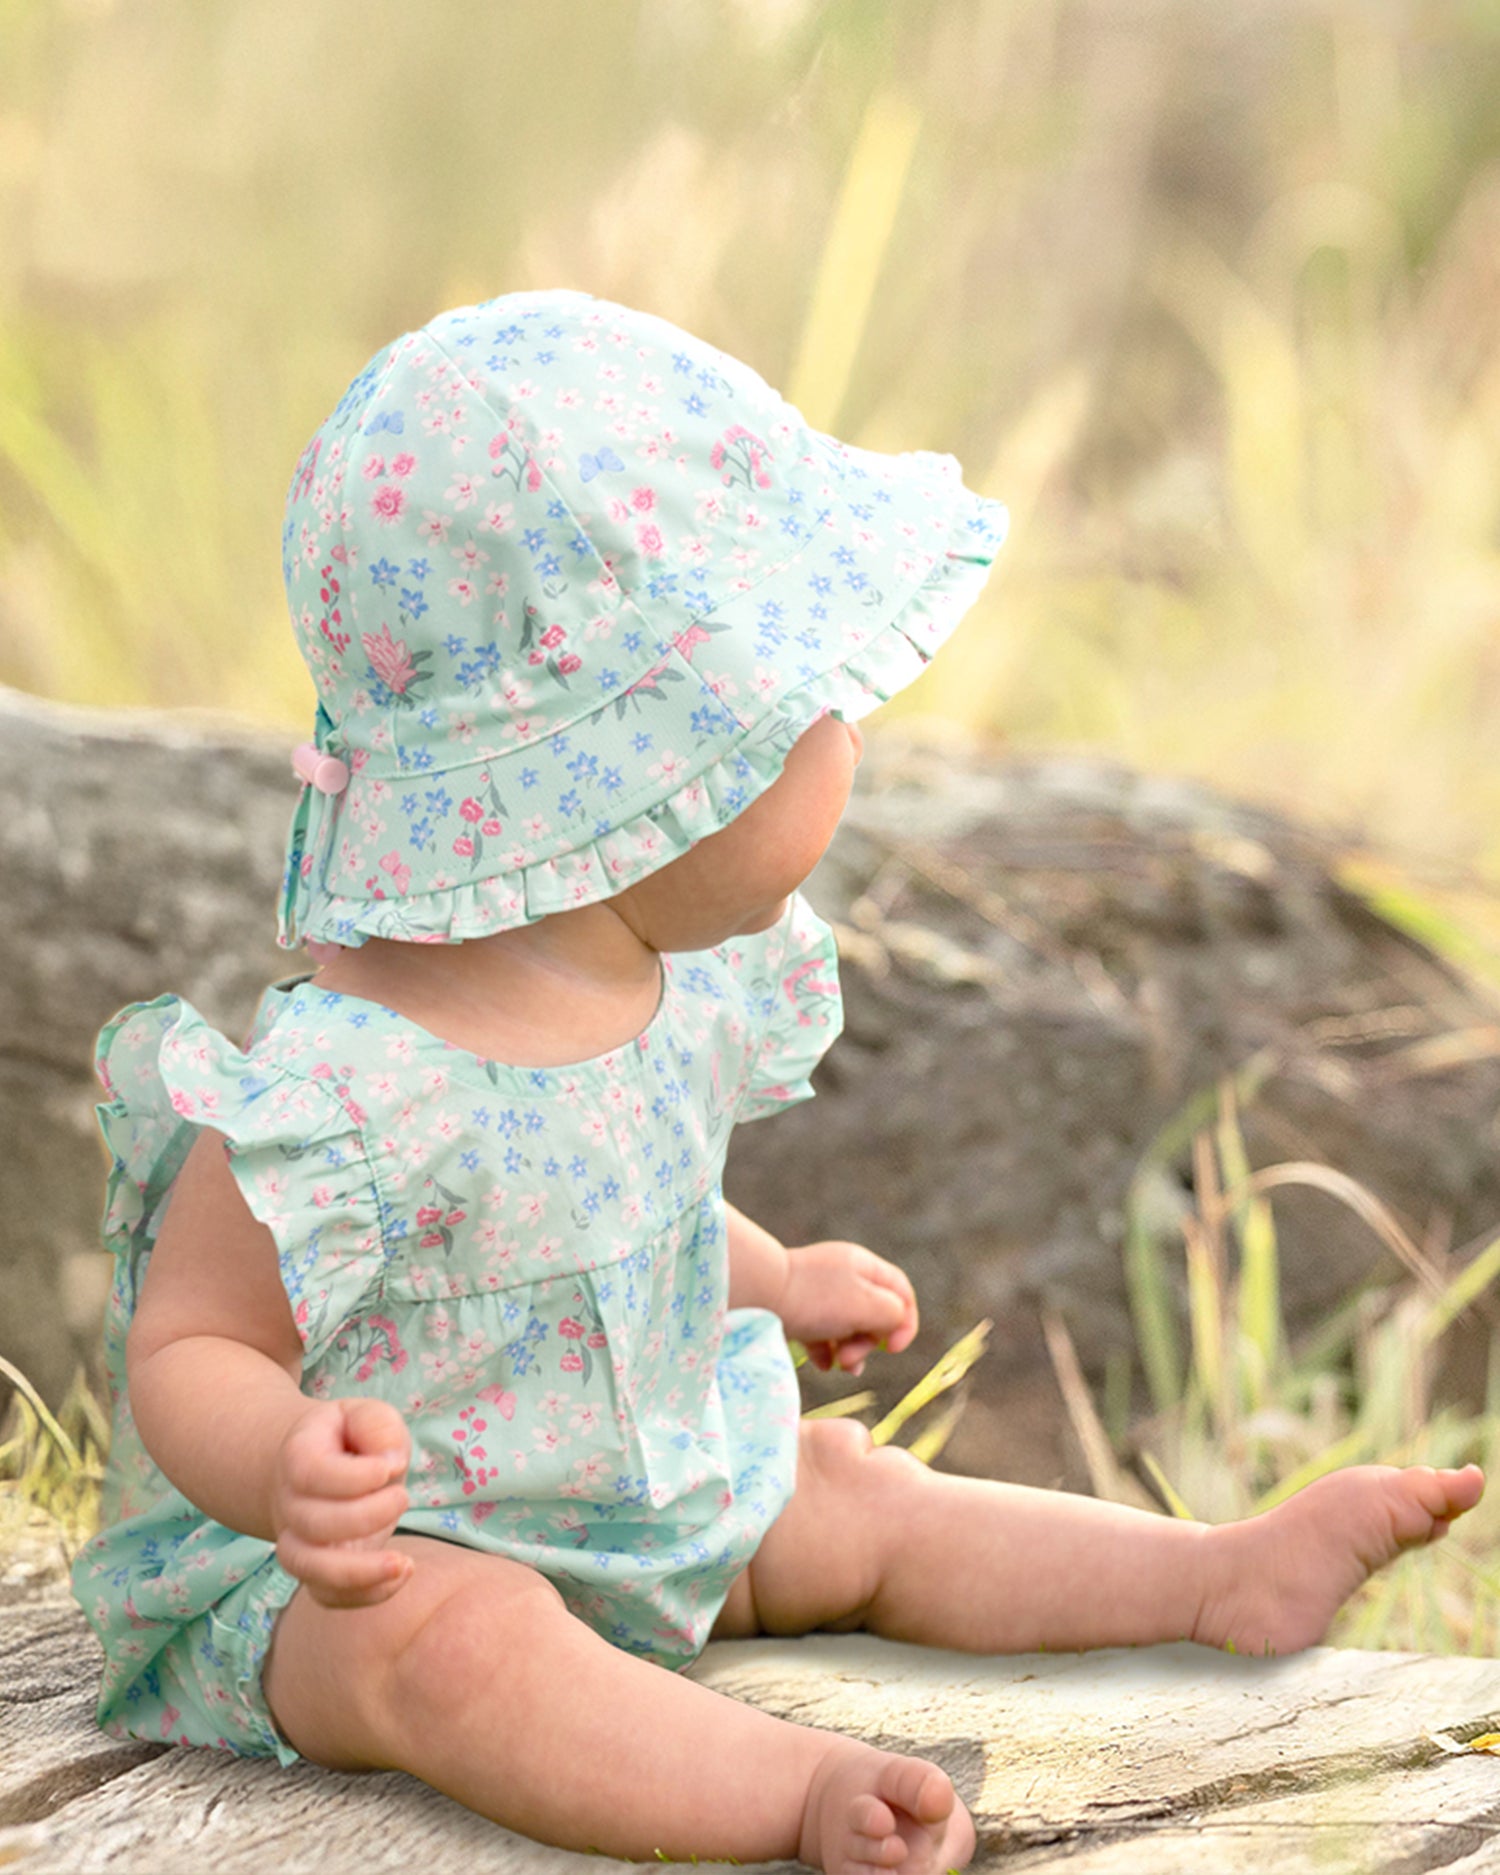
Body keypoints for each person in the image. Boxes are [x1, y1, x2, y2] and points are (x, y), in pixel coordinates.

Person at [73, 290, 1483, 1875]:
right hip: (375, 1569)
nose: (847, 744)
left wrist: (772, 1270)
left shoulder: (667, 981)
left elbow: (634, 1201)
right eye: (790, 714)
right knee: (454, 1651)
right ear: (627, 784)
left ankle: (1222, 1571)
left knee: (849, 1493)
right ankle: (790, 1793)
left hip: (648, 1496)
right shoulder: (343, 1091)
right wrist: (279, 1467)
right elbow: (193, 1335)